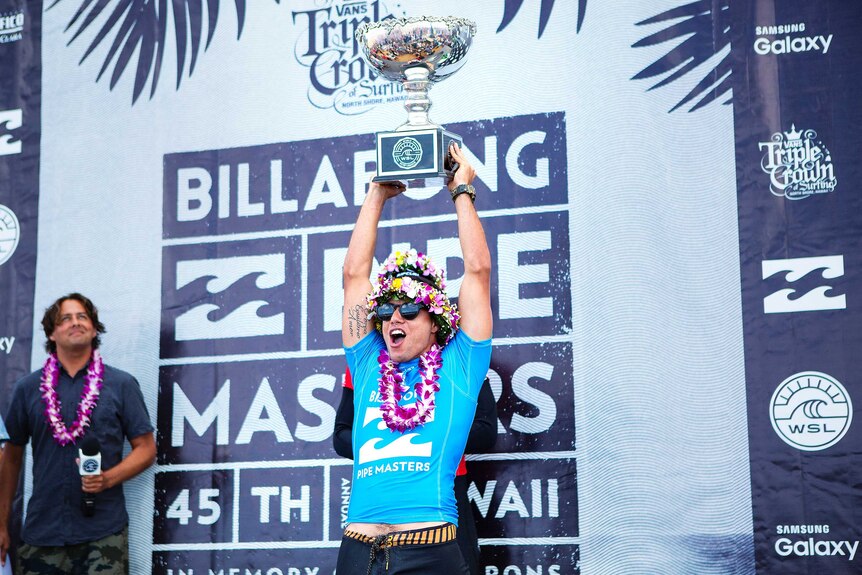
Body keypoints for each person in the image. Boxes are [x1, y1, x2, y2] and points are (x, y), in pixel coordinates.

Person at [338, 141, 493, 574]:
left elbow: (477, 273)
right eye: (385, 311)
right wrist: (376, 193)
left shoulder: (461, 365)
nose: (393, 319)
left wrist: (461, 191)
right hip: (357, 551)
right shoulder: (368, 363)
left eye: (408, 309)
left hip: (428, 553)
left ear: (437, 321)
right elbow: (354, 276)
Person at [0, 293, 156, 574]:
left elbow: (146, 448)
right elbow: (11, 458)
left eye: (82, 316)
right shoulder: (27, 388)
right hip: (42, 534)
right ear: (51, 333)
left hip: (103, 533)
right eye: (65, 318)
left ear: (94, 329)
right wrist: (1, 523)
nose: (75, 322)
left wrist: (107, 479)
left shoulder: (121, 384)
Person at [333, 369, 497, 574]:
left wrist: (430, 444)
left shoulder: (459, 357)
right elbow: (341, 436)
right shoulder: (365, 361)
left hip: (443, 491)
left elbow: (486, 431)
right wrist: (396, 447)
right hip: (379, 494)